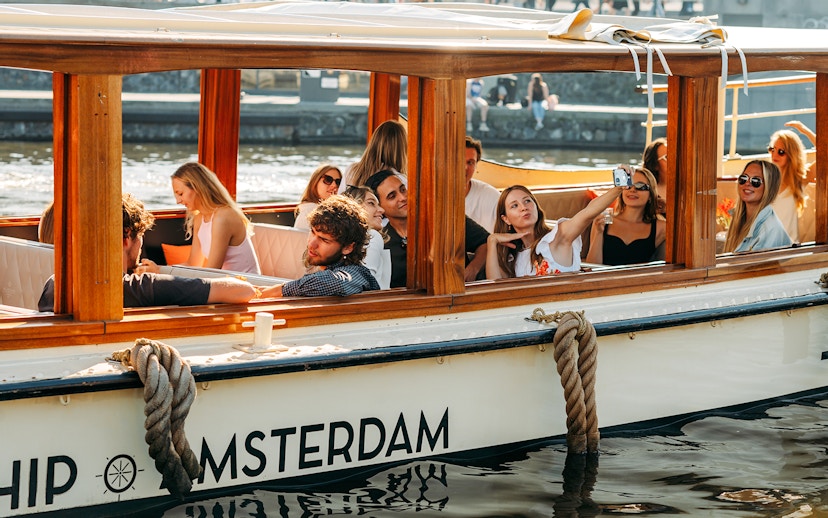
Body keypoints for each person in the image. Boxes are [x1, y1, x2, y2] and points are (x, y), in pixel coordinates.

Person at [38, 193, 256, 311]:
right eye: (140, 235)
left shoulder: (54, 283)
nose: (141, 243)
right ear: (126, 237)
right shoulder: (144, 287)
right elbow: (242, 291)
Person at [367, 169, 489, 286]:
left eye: (403, 190)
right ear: (380, 207)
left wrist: (473, 269)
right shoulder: (380, 241)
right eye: (392, 196)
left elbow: (486, 242)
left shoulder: (444, 218)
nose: (403, 197)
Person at [486, 181, 623, 279]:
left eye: (527, 201)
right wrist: (492, 242)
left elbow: (588, 213)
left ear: (536, 207)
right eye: (514, 205)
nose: (523, 207)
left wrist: (618, 189)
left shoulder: (557, 237)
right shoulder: (512, 257)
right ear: (506, 219)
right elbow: (495, 287)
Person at [258, 195, 379, 298]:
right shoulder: (326, 269)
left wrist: (278, 291)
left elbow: (334, 283)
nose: (311, 243)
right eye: (313, 232)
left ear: (348, 248)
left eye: (324, 240)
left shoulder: (357, 273)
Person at [168, 162, 260, 274]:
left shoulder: (223, 217)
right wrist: (158, 272)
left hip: (246, 286)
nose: (178, 201)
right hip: (225, 283)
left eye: (180, 194)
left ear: (197, 188)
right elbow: (192, 264)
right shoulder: (199, 217)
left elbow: (212, 271)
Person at [585, 168, 666, 265]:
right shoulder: (604, 221)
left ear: (650, 195)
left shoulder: (661, 227)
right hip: (606, 278)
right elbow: (592, 267)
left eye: (640, 186)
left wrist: (667, 208)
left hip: (638, 279)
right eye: (628, 185)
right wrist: (598, 233)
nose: (632, 190)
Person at [723, 160, 792, 253]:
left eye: (756, 181)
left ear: (769, 187)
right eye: (744, 178)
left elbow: (754, 267)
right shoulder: (739, 219)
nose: (747, 183)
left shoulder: (768, 230)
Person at [343, 185, 391, 289]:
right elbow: (367, 280)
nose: (381, 210)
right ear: (355, 207)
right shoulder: (372, 235)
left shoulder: (343, 240)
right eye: (371, 203)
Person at [340, 119, 408, 193]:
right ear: (402, 148)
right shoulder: (401, 181)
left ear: (374, 141)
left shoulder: (351, 170)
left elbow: (340, 199)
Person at [767, 129, 810, 243]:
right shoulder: (763, 179)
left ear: (791, 154)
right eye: (772, 149)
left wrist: (805, 131)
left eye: (781, 152)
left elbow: (825, 153)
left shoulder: (798, 180)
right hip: (764, 249)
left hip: (789, 250)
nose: (774, 155)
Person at [464, 136, 500, 233]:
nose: (465, 167)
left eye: (470, 162)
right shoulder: (432, 197)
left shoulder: (492, 197)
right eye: (459, 160)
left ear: (476, 166)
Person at [294, 164, 342, 230]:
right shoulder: (308, 212)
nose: (334, 185)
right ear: (315, 182)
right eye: (328, 180)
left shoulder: (338, 214)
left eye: (338, 182)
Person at [641, 137, 668, 215]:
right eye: (667, 157)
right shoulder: (645, 191)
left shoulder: (688, 188)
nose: (674, 160)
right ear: (655, 164)